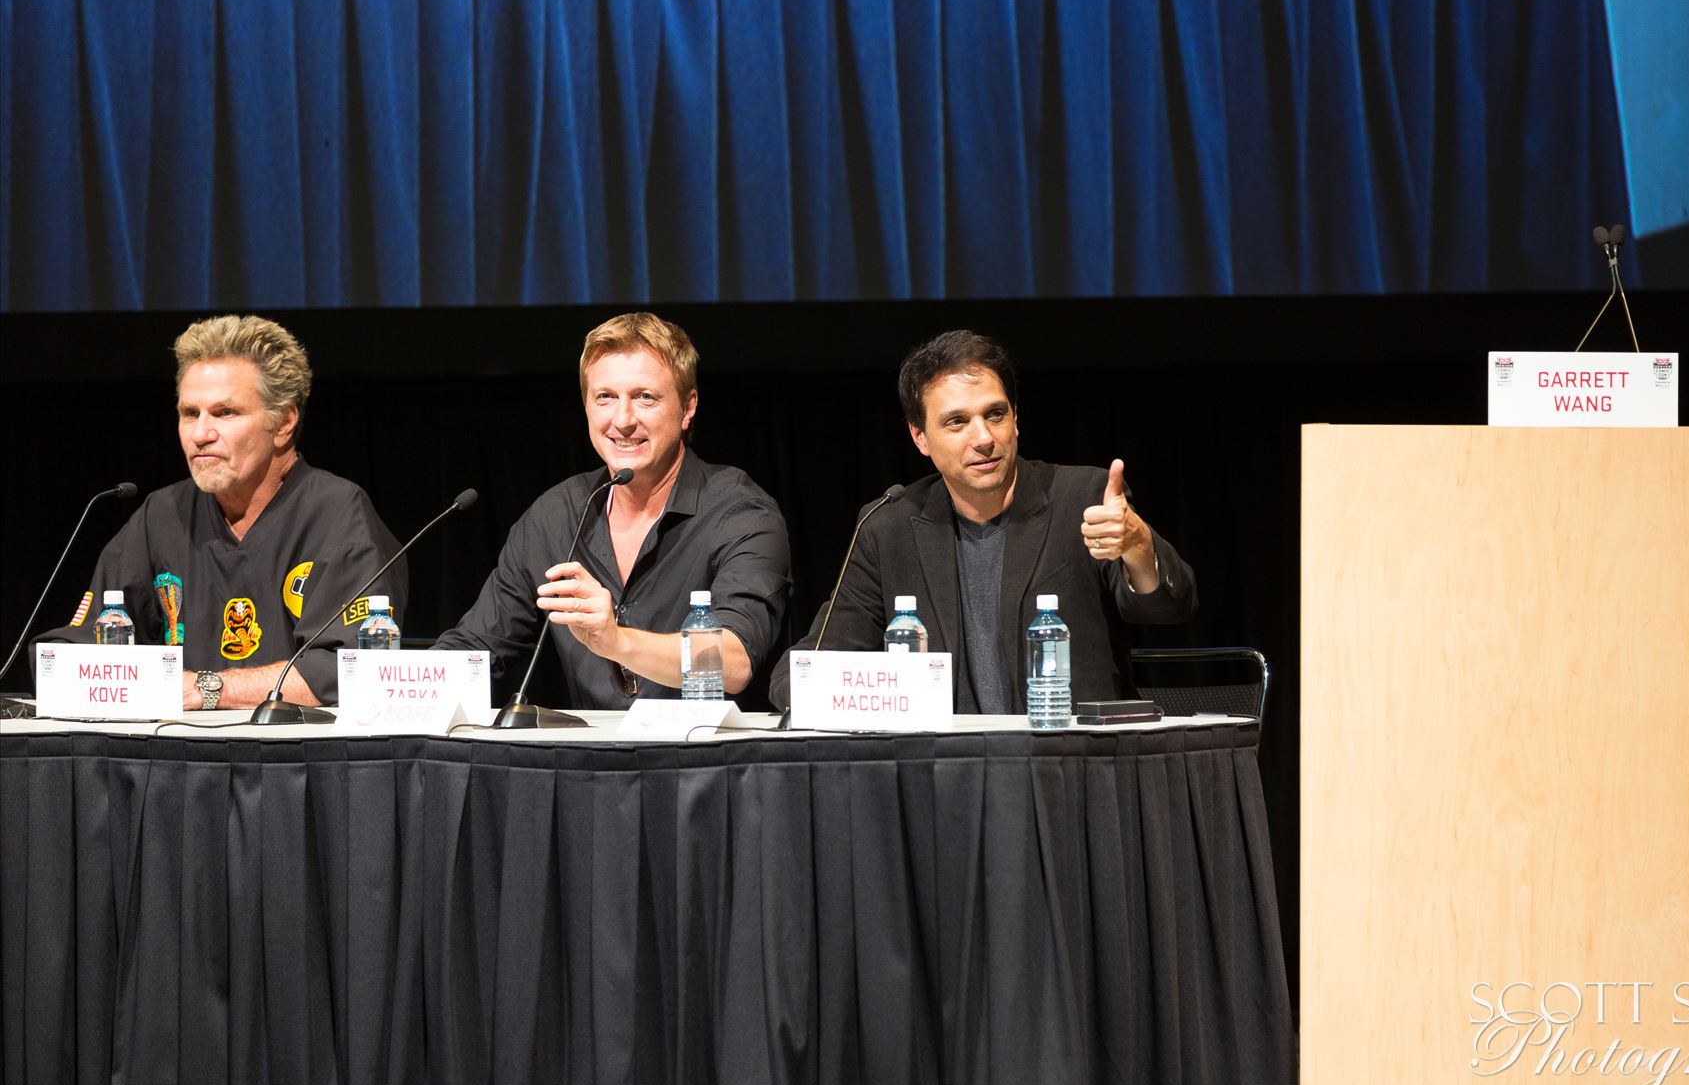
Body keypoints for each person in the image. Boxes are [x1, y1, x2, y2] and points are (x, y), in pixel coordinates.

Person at [769, 329, 1196, 713]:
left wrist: (1139, 547)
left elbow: (1170, 607)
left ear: (1016, 419)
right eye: (957, 422)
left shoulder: (1082, 499)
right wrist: (811, 688)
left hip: (1072, 765)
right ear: (920, 438)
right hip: (946, 775)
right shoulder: (889, 527)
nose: (984, 438)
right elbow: (811, 664)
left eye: (995, 414)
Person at [48, 315, 406, 710]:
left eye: (225, 413)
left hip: (298, 760)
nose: (200, 434)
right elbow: (89, 647)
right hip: (175, 758)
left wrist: (208, 688)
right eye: (190, 413)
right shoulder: (162, 516)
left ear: (284, 423)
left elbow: (351, 671)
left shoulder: (339, 514)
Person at [436, 312, 790, 707]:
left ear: (688, 406)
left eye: (645, 397)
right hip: (589, 763)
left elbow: (735, 663)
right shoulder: (556, 515)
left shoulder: (741, 513)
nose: (622, 420)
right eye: (605, 397)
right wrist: (389, 686)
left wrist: (615, 639)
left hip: (707, 761)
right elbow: (477, 647)